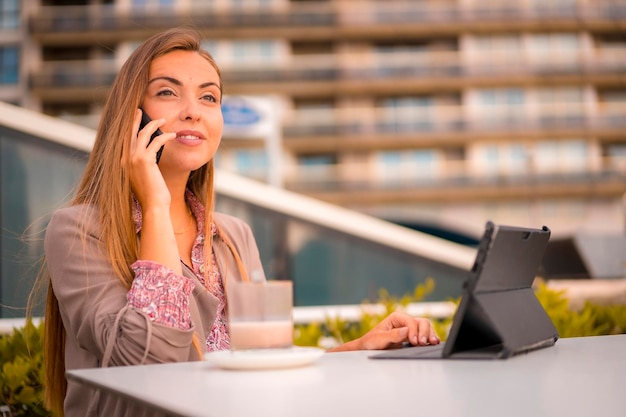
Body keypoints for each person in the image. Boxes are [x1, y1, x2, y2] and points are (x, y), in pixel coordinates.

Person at [37, 27, 440, 417]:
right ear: (131, 118)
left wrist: (360, 349)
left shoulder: (232, 236)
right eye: (167, 92)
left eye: (209, 98)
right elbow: (152, 361)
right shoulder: (78, 230)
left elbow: (262, 367)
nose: (193, 111)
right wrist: (155, 204)